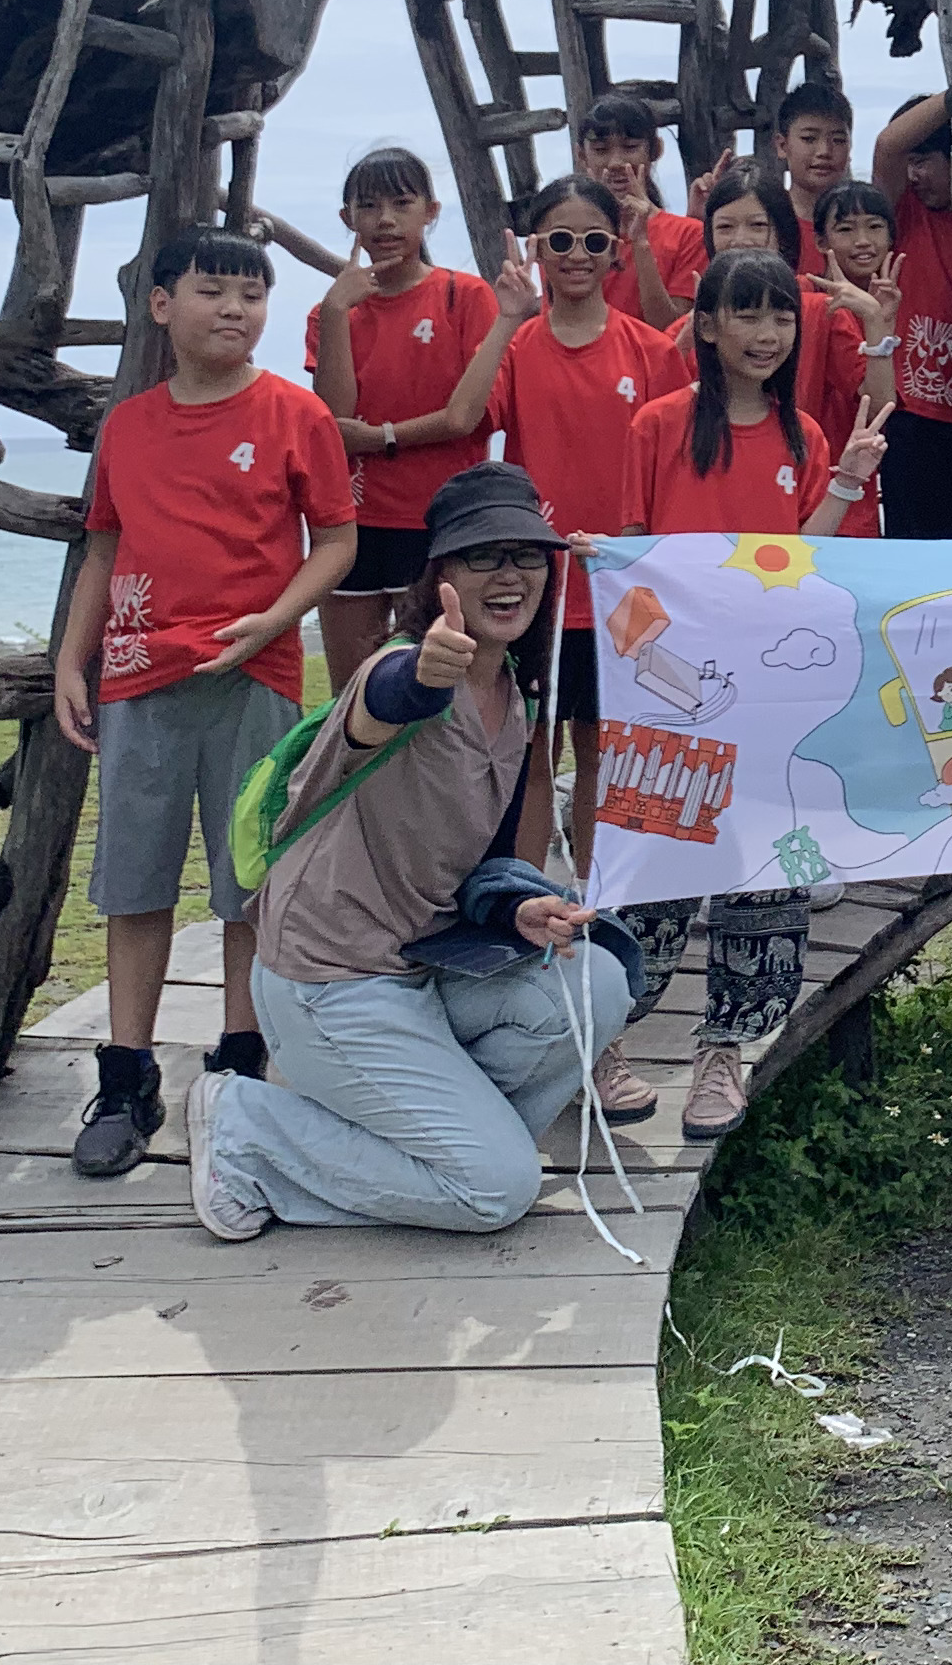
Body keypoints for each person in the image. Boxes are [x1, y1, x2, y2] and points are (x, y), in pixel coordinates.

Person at [186, 461, 635, 1238]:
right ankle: (247, 1124)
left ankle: (447, 1149)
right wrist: (427, 674)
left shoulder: (517, 698)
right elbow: (387, 702)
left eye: (527, 555)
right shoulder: (400, 667)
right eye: (482, 555)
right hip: (329, 983)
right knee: (495, 1193)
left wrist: (521, 904)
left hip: (423, 965)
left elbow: (474, 863)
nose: (510, 575)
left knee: (594, 979)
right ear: (439, 575)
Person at [51, 227, 359, 1174]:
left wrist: (274, 623)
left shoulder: (294, 413)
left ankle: (238, 1061)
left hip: (253, 679)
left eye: (252, 294)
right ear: (161, 305)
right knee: (134, 884)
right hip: (139, 677)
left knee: (249, 884)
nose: (235, 309)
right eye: (214, 290)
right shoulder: (130, 424)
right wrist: (72, 658)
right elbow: (104, 545)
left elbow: (337, 541)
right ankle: (127, 1072)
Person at [622, 248, 893, 1137]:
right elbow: (634, 550)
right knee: (653, 869)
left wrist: (849, 475)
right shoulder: (658, 425)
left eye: (782, 315)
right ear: (706, 326)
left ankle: (721, 1055)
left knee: (763, 875)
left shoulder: (803, 437)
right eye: (746, 314)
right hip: (671, 697)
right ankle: (598, 1039)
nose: (767, 333)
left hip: (771, 696)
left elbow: (801, 554)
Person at [469, 173, 688, 1124]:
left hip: (622, 602)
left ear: (615, 249)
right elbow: (466, 419)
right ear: (534, 248)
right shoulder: (516, 345)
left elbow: (686, 456)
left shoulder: (650, 348)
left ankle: (604, 1022)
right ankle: (518, 976)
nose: (574, 261)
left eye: (593, 243)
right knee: (522, 782)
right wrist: (500, 319)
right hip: (530, 597)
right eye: (557, 243)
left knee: (603, 799)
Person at [305, 148, 522, 697]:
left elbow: (466, 417)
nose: (384, 220)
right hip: (352, 520)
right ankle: (359, 786)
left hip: (439, 518)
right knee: (353, 691)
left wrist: (382, 438)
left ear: (430, 211)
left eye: (401, 204)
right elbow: (336, 417)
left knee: (441, 686)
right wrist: (335, 314)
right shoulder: (331, 311)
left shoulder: (464, 296)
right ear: (346, 219)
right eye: (368, 206)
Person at [868, 90, 952, 537]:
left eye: (924, 160)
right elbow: (889, 145)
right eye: (911, 161)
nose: (913, 174)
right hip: (915, 421)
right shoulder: (902, 214)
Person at [803, 180, 905, 534]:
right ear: (820, 242)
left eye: (875, 227)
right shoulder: (822, 307)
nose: (863, 241)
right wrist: (876, 321)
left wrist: (882, 318)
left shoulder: (885, 299)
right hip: (832, 484)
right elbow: (879, 408)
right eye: (845, 229)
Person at [578, 90, 706, 325]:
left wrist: (641, 245)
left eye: (630, 147)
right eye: (600, 150)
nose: (616, 162)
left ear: (655, 150)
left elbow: (673, 331)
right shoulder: (567, 237)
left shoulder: (689, 235)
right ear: (582, 157)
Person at [768, 76, 858, 244]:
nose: (824, 152)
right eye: (809, 138)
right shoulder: (764, 225)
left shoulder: (866, 230)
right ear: (782, 145)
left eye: (838, 140)